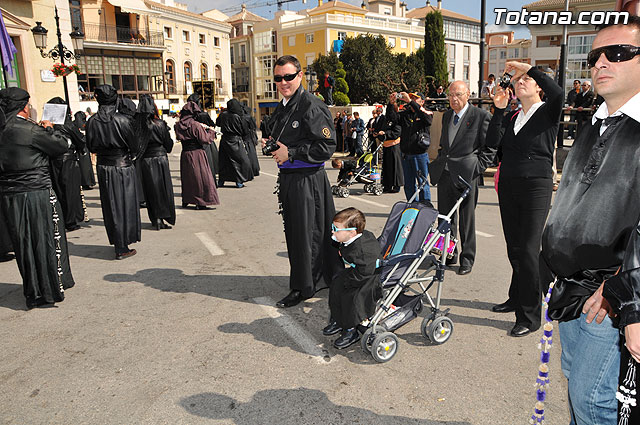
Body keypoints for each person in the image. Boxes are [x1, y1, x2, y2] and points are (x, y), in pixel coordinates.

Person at [540, 16, 640, 424]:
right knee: (577, 391)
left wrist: (626, 298)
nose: (600, 63)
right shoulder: (592, 124)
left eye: (616, 54)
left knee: (593, 401)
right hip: (569, 291)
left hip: (608, 300)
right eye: (596, 55)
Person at [488, 62, 562, 337]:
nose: (520, 82)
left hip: (536, 186)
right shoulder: (511, 116)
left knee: (529, 250)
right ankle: (516, 297)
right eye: (518, 79)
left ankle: (530, 316)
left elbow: (558, 94)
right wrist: (498, 110)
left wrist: (528, 67)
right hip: (509, 184)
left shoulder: (548, 111)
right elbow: (492, 144)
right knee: (515, 248)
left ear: (539, 86)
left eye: (526, 79)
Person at [263, 55, 342, 308]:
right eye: (278, 78)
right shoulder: (284, 105)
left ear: (299, 76)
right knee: (298, 235)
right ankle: (314, 279)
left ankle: (303, 287)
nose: (283, 82)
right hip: (290, 179)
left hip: (307, 180)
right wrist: (271, 145)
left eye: (288, 76)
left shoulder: (311, 105)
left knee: (306, 236)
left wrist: (292, 153)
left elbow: (327, 146)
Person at [0, 87, 75, 308]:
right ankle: (49, 288)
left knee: (24, 242)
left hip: (10, 195)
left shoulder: (3, 129)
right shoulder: (27, 129)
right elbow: (60, 146)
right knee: (46, 239)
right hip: (37, 192)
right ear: (24, 107)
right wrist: (51, 129)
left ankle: (32, 289)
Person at [429, 80, 493, 276]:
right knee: (445, 219)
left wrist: (477, 168)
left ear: (467, 95)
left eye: (458, 94)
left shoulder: (481, 116)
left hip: (467, 175)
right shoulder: (447, 116)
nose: (453, 99)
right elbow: (444, 145)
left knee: (466, 220)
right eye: (450, 95)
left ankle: (467, 258)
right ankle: (449, 254)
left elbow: (490, 149)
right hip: (446, 174)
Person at [86, 85, 141, 260]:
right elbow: (135, 146)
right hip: (122, 166)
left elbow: (91, 146)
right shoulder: (123, 120)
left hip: (104, 166)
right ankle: (122, 246)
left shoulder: (92, 121)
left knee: (111, 206)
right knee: (125, 205)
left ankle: (120, 243)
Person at [323, 207, 382, 349]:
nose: (332, 231)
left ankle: (350, 330)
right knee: (336, 285)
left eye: (336, 229)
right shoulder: (350, 239)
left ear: (352, 232)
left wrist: (349, 282)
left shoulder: (362, 251)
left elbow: (365, 272)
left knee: (349, 296)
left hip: (368, 276)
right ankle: (338, 319)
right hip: (358, 272)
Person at [134, 94, 176, 230]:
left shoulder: (137, 126)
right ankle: (162, 217)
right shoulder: (160, 124)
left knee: (150, 190)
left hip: (145, 160)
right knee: (163, 189)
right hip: (160, 159)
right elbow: (168, 144)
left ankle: (155, 218)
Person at [46, 97, 85, 232]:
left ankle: (62, 218)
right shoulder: (67, 124)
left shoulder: (47, 124)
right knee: (70, 191)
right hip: (68, 160)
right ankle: (71, 221)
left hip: (53, 161)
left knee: (59, 191)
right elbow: (80, 141)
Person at [174, 99, 220, 209]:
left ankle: (187, 199)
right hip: (197, 154)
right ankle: (201, 201)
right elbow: (204, 140)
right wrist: (211, 132)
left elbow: (178, 137)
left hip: (185, 154)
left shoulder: (178, 125)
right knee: (201, 178)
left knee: (188, 178)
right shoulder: (195, 125)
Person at [390, 91, 433, 203]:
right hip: (406, 154)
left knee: (422, 182)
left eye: (415, 98)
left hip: (420, 155)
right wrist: (391, 104)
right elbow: (393, 119)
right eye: (411, 98)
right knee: (408, 184)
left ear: (422, 102)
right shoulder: (405, 113)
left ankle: (425, 206)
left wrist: (410, 101)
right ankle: (412, 206)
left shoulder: (426, 112)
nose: (412, 100)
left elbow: (427, 120)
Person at [216, 99, 253, 188]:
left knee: (224, 162)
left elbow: (217, 123)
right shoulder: (239, 116)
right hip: (236, 141)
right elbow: (244, 130)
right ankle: (239, 181)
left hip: (225, 140)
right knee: (240, 161)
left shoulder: (223, 115)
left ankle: (221, 181)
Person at [187, 93, 219, 181]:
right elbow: (212, 124)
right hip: (204, 140)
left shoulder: (186, 117)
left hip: (190, 144)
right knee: (208, 161)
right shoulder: (203, 114)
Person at [379, 97, 403, 193]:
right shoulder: (386, 120)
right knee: (387, 167)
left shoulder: (398, 120)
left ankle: (396, 185)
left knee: (395, 166)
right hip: (386, 146)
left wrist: (385, 134)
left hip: (394, 146)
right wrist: (379, 134)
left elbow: (397, 132)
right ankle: (387, 185)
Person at [73, 111, 96, 190]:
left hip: (81, 147)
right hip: (83, 147)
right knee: (85, 167)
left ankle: (86, 182)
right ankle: (87, 182)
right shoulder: (85, 124)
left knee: (85, 167)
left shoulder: (75, 124)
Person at [242, 104, 261, 177]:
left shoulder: (242, 117)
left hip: (245, 137)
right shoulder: (250, 117)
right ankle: (255, 169)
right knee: (252, 153)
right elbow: (254, 127)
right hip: (251, 136)